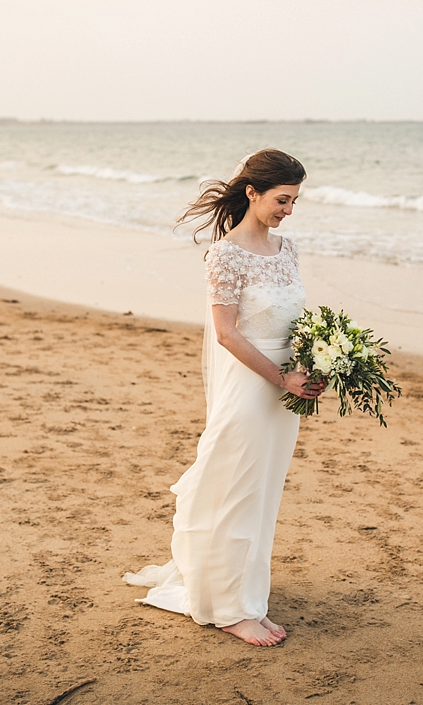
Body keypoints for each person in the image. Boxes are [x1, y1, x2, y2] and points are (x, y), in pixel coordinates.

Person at [124, 149, 324, 647]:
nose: (289, 210)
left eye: (296, 200)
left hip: (286, 387)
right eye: (282, 199)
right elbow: (227, 334)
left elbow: (295, 320)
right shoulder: (225, 254)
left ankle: (249, 595)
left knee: (263, 493)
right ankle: (229, 608)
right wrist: (283, 378)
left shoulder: (288, 249)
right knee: (236, 487)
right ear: (252, 193)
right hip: (253, 384)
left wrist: (318, 363)